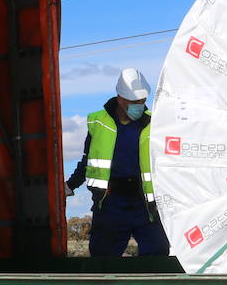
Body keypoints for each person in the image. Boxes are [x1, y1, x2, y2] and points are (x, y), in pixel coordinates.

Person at [66, 68, 171, 258]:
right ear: (121, 99)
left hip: (145, 203)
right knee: (103, 257)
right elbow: (87, 160)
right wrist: (70, 185)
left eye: (143, 101)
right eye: (134, 102)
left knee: (158, 252)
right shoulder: (98, 123)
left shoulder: (153, 125)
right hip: (110, 202)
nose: (140, 106)